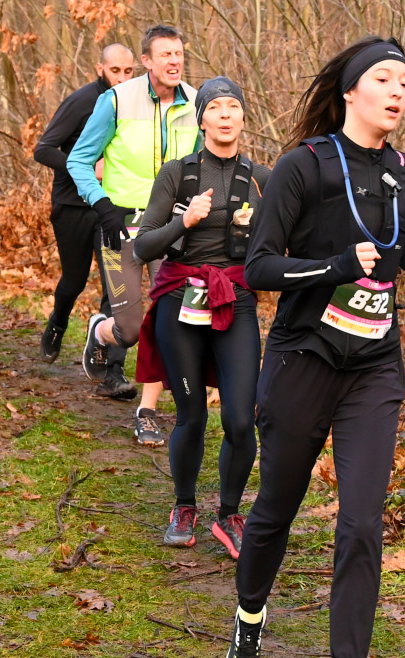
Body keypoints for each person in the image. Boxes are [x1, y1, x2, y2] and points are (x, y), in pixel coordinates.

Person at [224, 37, 405, 658]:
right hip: (303, 357)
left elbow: (394, 238)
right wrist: (334, 266)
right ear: (351, 91)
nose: (398, 92)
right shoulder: (302, 166)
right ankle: (249, 618)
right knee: (275, 508)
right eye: (384, 79)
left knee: (361, 522)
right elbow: (259, 268)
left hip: (374, 366)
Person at [134, 77, 270, 558]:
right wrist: (184, 221)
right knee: (191, 416)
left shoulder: (262, 178)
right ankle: (184, 507)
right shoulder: (177, 174)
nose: (226, 115)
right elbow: (143, 245)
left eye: (234, 106)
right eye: (216, 107)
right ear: (202, 119)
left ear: (243, 117)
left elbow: (286, 243)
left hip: (236, 299)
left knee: (241, 419)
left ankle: (229, 514)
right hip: (180, 300)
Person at [67, 24, 199, 445]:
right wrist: (102, 205)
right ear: (146, 61)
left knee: (165, 319)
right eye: (165, 54)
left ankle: (147, 411)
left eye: (179, 54)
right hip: (120, 227)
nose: (174, 61)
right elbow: (78, 160)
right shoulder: (116, 100)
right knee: (129, 329)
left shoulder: (197, 102)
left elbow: (204, 163)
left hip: (169, 229)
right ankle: (101, 331)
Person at [34, 43, 137, 399]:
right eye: (115, 71)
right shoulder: (82, 101)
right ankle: (58, 321)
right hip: (73, 205)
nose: (122, 78)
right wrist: (86, 167)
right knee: (74, 280)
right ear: (100, 68)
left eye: (128, 71)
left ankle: (113, 370)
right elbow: (43, 149)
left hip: (115, 206)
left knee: (118, 287)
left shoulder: (138, 105)